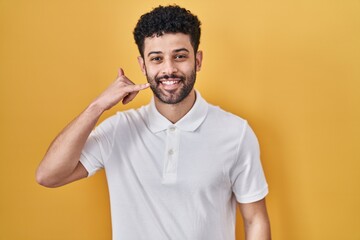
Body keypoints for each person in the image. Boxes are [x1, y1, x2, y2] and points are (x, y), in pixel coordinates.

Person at [36, 5, 271, 240]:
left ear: (198, 61)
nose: (169, 69)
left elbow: (255, 219)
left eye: (180, 56)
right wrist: (97, 107)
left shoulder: (236, 132)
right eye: (156, 59)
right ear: (143, 66)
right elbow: (49, 175)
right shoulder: (119, 130)